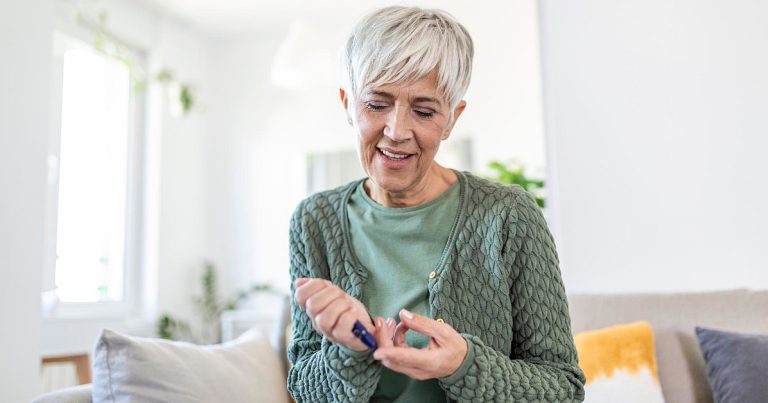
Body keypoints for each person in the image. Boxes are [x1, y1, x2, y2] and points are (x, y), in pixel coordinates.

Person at [287, 6, 585, 402]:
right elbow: (303, 390)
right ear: (347, 103)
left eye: (424, 111)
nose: (396, 132)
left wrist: (464, 365)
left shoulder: (509, 216)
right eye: (377, 104)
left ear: (452, 119)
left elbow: (563, 389)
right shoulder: (314, 222)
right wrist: (350, 350)